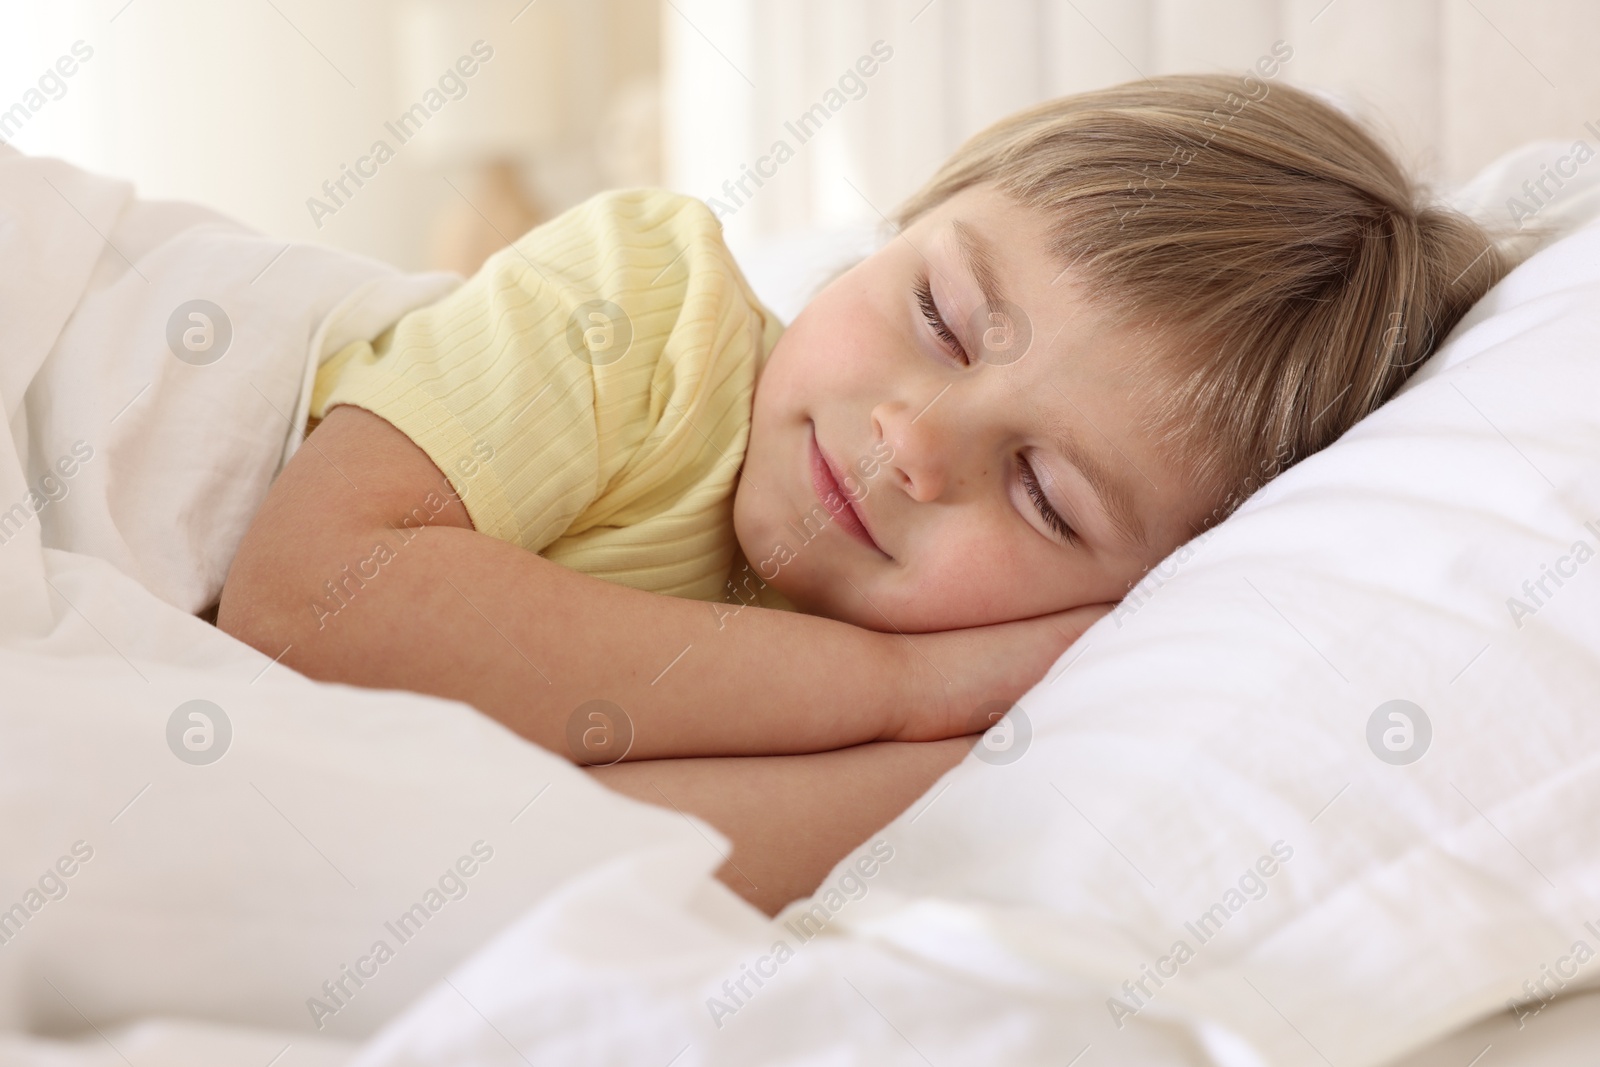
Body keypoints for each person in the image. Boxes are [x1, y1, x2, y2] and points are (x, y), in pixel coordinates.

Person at [218, 73, 1513, 914]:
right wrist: (893, 693)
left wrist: (941, 732)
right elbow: (304, 607)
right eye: (944, 317)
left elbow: (535, 871)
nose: (915, 442)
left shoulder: (975, 744)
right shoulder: (643, 311)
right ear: (901, 225)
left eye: (1048, 496)